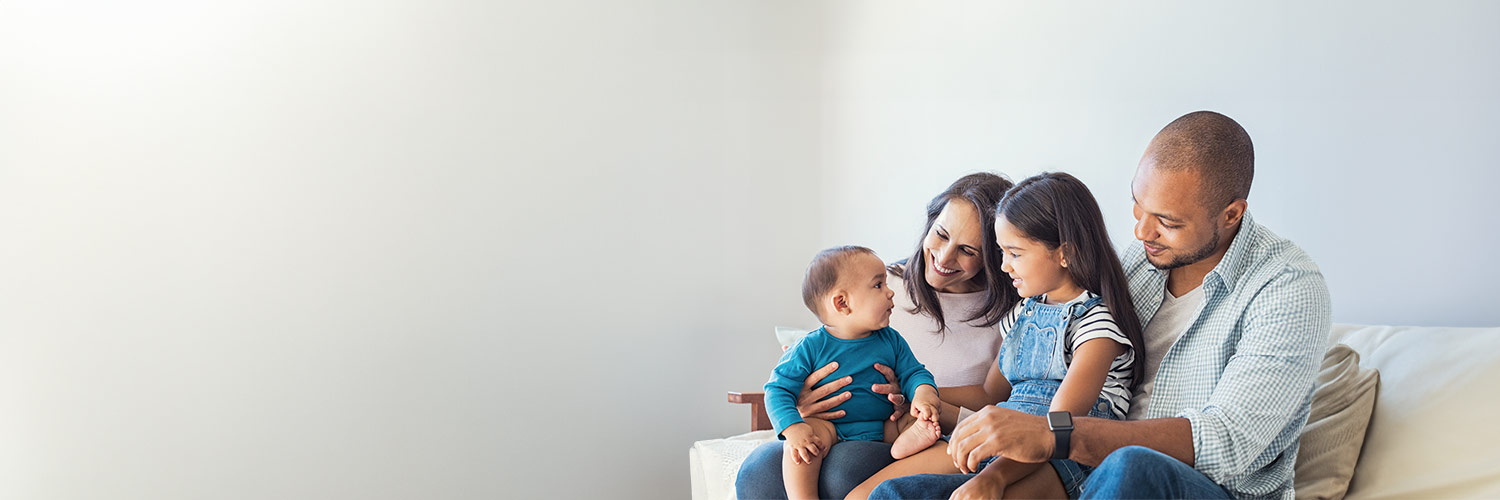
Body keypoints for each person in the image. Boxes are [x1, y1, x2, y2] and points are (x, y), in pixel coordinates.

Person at [871, 111, 1332, 500]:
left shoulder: (1286, 287)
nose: (1141, 233)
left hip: (1194, 484)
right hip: (1085, 468)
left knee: (1132, 468)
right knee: (898, 494)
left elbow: (1227, 441)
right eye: (1138, 207)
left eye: (1167, 222)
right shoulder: (1139, 264)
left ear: (1231, 214)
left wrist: (1058, 435)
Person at [846, 172, 1144, 500]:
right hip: (998, 437)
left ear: (1065, 254)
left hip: (1057, 458)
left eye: (1014, 254)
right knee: (869, 495)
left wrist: (993, 478)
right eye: (1001, 252)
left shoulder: (1096, 328)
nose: (1002, 267)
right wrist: (916, 391)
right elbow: (990, 392)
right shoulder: (1022, 315)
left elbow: (1058, 430)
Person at [737, 173, 1023, 500]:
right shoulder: (878, 283)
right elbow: (821, 349)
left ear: (993, 255)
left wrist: (916, 396)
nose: (944, 258)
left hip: (913, 428)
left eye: (967, 250)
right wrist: (800, 405)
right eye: (941, 234)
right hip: (836, 422)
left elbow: (994, 398)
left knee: (843, 469)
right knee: (759, 468)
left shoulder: (1012, 313)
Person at [766, 246, 945, 500]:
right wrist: (794, 429)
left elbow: (914, 372)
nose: (890, 291)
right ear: (842, 303)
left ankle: (906, 444)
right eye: (878, 285)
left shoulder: (891, 340)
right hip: (831, 427)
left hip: (885, 426)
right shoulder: (811, 346)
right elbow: (777, 389)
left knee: (918, 423)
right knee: (804, 446)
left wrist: (924, 395)